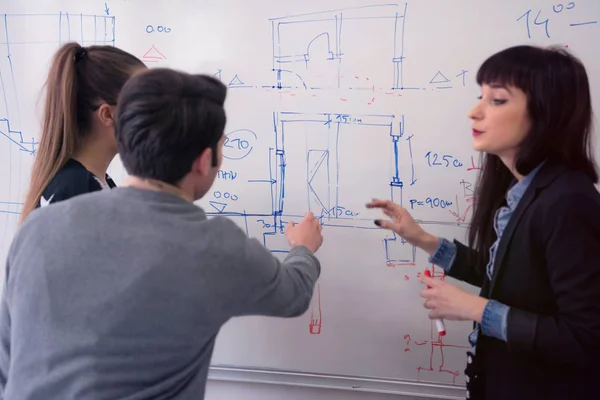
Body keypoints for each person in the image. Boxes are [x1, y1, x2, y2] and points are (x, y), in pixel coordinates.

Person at [0, 68, 324, 399]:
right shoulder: (215, 247)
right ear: (203, 161)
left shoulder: (37, 228)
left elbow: (6, 359)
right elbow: (293, 294)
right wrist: (303, 249)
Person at [368, 45, 600, 400]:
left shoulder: (568, 201)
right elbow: (508, 276)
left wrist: (474, 308)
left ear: (546, 113)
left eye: (498, 100)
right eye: (481, 96)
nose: (474, 112)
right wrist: (422, 239)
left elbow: (585, 339)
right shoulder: (523, 189)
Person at [19, 42, 146, 224]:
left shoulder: (96, 183)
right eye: (145, 104)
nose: (153, 115)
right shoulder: (75, 190)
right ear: (108, 114)